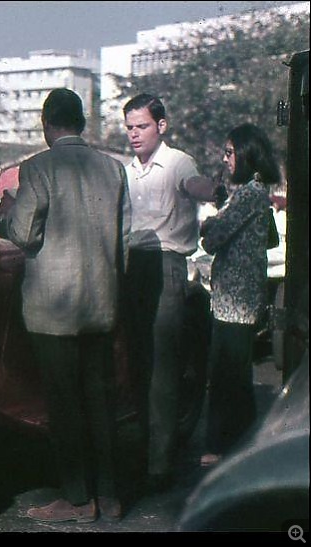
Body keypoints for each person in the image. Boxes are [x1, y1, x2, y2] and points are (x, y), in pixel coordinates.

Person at [5, 88, 131, 523]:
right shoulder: (114, 170)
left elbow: (23, 234)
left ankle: (78, 499)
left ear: (47, 124)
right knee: (101, 402)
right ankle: (111, 496)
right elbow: (124, 242)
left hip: (52, 311)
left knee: (65, 406)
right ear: (81, 122)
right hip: (101, 305)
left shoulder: (37, 168)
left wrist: (6, 212)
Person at [121, 93, 218, 492]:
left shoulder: (178, 162)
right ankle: (143, 452)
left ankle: (159, 466)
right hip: (132, 267)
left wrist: (209, 189)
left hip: (167, 266)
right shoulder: (128, 170)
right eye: (129, 127)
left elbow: (196, 185)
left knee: (162, 370)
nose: (133, 134)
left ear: (161, 126)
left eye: (141, 126)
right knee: (139, 365)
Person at [198, 124, 282, 468]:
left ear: (247, 154)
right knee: (237, 378)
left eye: (231, 152)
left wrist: (210, 225)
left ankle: (220, 446)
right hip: (243, 298)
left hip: (234, 301)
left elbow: (213, 239)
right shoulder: (256, 192)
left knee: (224, 377)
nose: (225, 158)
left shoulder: (249, 194)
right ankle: (246, 443)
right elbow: (272, 240)